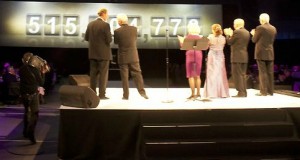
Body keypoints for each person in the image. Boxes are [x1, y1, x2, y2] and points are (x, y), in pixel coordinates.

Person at [114, 13, 148, 100]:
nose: (118, 22)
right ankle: (142, 93)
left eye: (118, 20)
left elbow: (116, 42)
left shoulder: (117, 31)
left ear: (120, 21)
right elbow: (134, 39)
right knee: (137, 74)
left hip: (123, 56)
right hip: (133, 55)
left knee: (124, 77)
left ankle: (126, 96)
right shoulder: (134, 29)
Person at [84, 8, 112, 99]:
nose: (107, 16)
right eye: (107, 14)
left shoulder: (90, 24)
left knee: (93, 75)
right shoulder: (106, 25)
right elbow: (109, 40)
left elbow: (87, 38)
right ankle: (102, 95)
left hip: (93, 54)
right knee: (103, 76)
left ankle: (92, 94)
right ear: (103, 14)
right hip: (103, 55)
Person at [19, 52, 45, 144]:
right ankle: (30, 132)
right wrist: (43, 72)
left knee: (26, 111)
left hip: (23, 95)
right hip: (33, 94)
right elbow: (41, 82)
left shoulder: (21, 69)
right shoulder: (35, 70)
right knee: (35, 113)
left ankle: (25, 132)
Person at [250, 13, 277, 96]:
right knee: (270, 72)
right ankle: (270, 91)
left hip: (261, 52)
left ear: (261, 20)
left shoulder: (260, 28)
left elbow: (254, 40)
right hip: (270, 52)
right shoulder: (273, 28)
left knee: (262, 72)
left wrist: (253, 33)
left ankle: (263, 92)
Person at [224, 18, 250, 97]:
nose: (233, 25)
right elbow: (238, 42)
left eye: (234, 24)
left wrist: (228, 34)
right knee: (242, 75)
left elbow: (229, 42)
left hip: (237, 56)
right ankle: (243, 92)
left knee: (237, 75)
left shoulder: (237, 32)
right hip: (244, 56)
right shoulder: (247, 32)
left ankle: (241, 92)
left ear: (237, 24)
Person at [203, 24, 230, 98]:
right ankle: (222, 93)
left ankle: (211, 93)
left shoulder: (210, 37)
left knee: (211, 73)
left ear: (213, 30)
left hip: (212, 56)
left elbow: (205, 47)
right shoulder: (223, 38)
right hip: (220, 56)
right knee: (221, 73)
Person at [177, 23, 203, 100]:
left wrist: (180, 40)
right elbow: (205, 47)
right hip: (198, 54)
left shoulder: (187, 37)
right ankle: (198, 93)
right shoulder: (201, 37)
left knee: (190, 75)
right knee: (197, 75)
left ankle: (192, 94)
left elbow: (182, 47)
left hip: (190, 54)